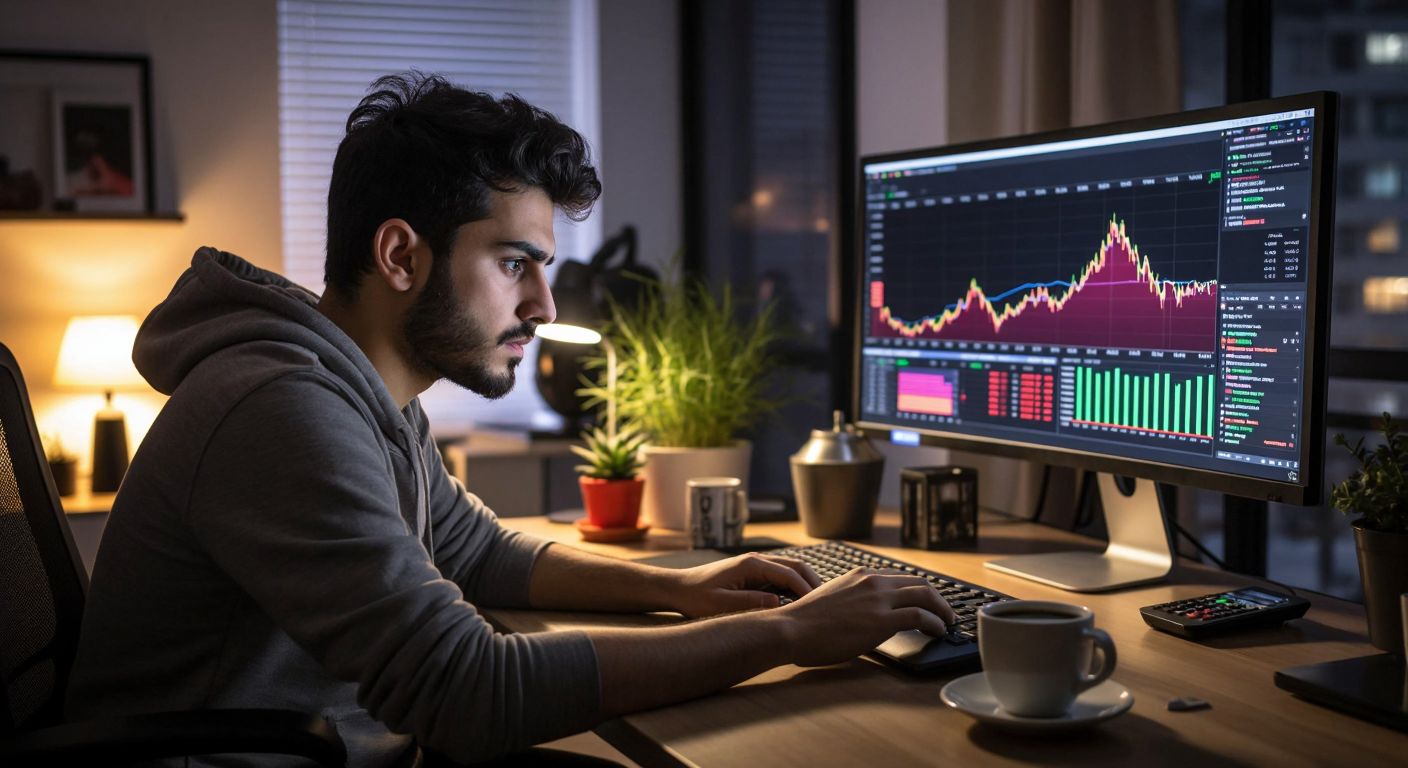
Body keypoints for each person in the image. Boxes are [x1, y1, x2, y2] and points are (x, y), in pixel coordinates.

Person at [66, 72, 957, 767]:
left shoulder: (368, 391)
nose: (543, 303)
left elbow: (478, 552)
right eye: (514, 263)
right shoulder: (280, 406)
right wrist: (789, 633)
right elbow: (467, 689)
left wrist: (680, 589)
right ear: (401, 255)